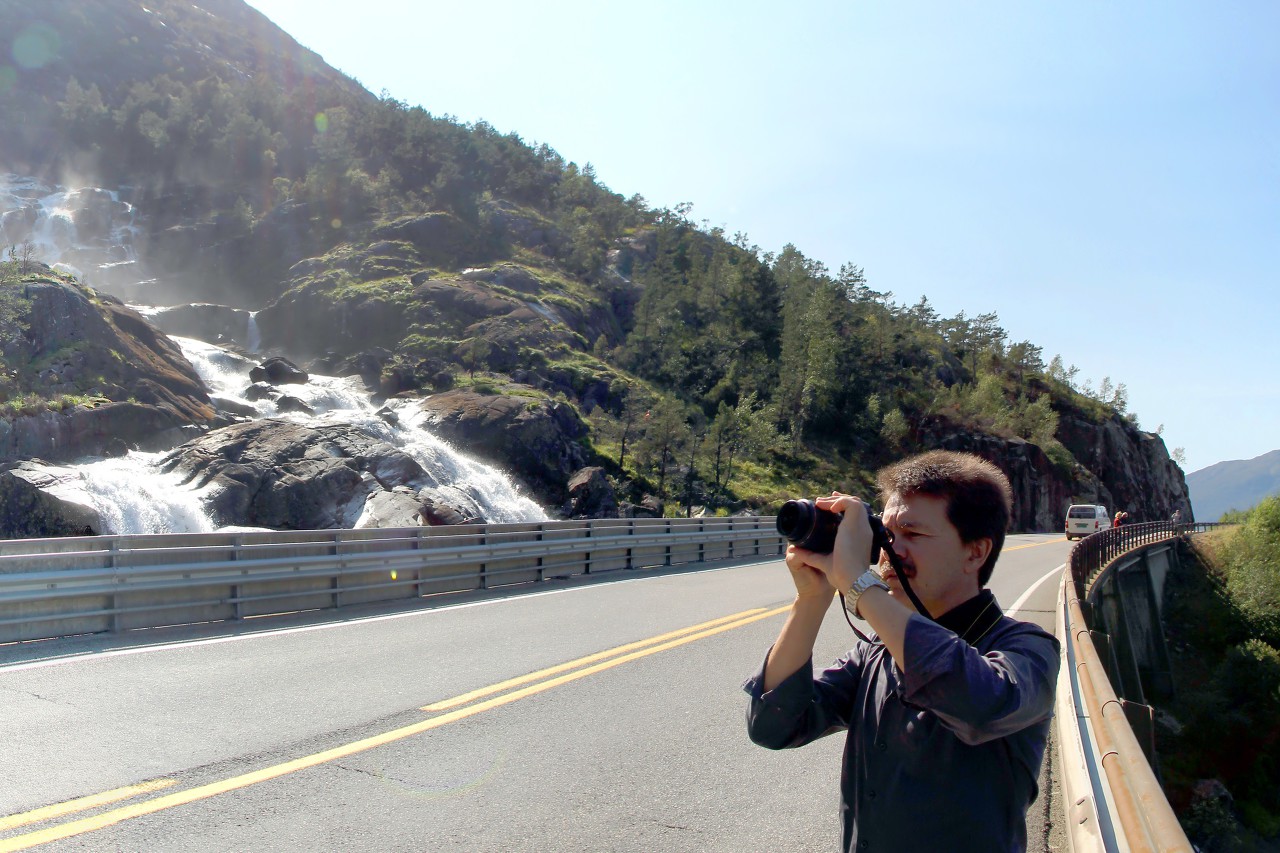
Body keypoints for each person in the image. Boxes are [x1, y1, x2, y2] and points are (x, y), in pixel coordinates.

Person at [744, 450, 1060, 852]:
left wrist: (859, 584)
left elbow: (980, 703)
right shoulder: (877, 653)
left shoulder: (1027, 650)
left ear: (975, 552)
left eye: (914, 534)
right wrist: (811, 599)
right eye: (887, 535)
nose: (891, 552)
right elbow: (774, 726)